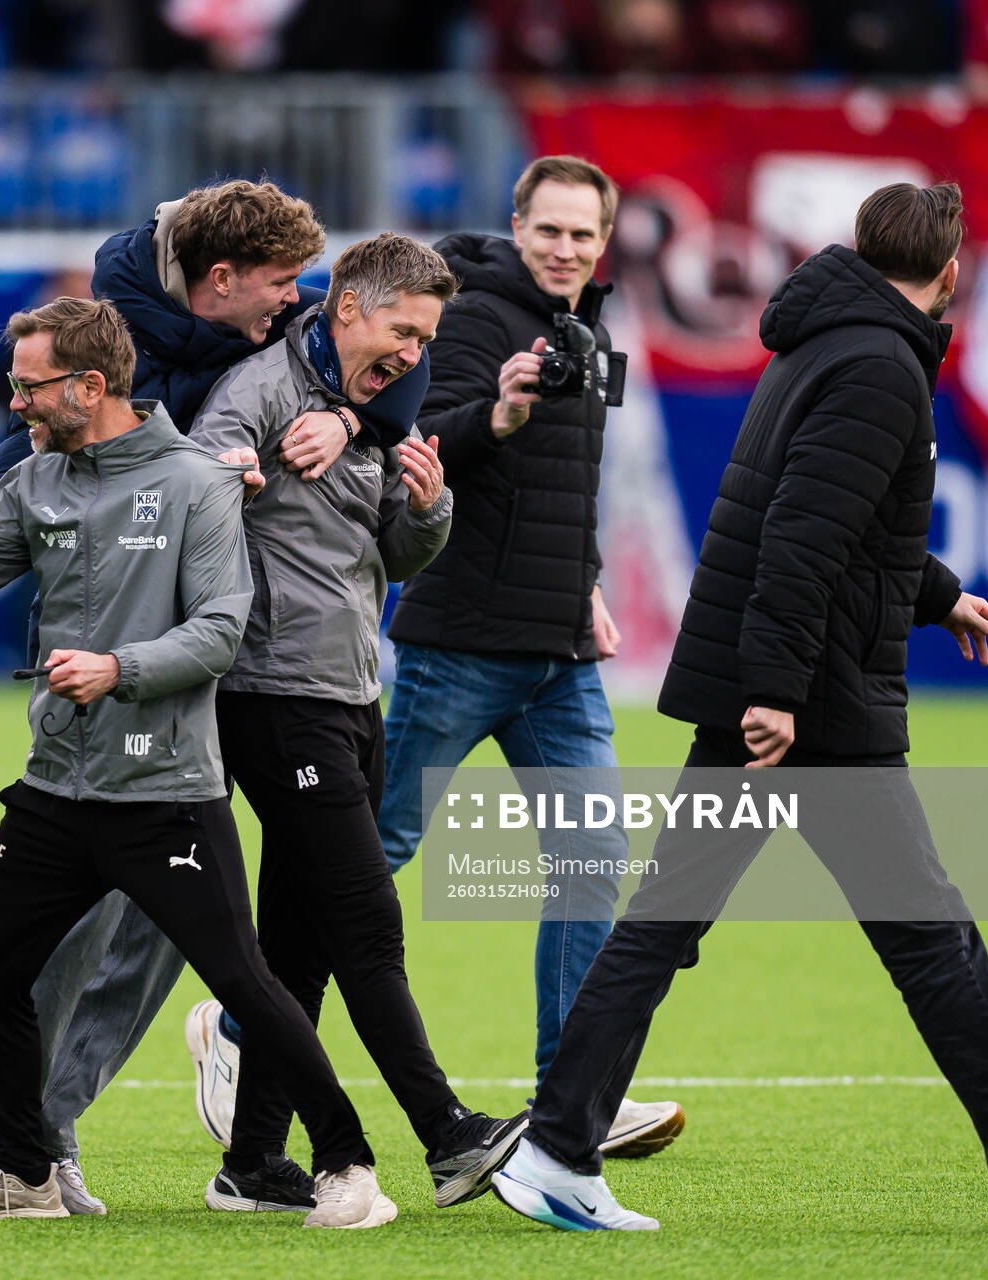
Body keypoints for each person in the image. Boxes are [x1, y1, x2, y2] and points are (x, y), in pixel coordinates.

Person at [491, 182, 988, 1233]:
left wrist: (938, 596)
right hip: (811, 707)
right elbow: (802, 539)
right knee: (927, 938)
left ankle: (555, 1147)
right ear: (951, 272)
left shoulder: (828, 342)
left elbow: (837, 518)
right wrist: (773, 692)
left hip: (783, 691)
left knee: (672, 928)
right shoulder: (878, 364)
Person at [0, 296, 397, 1228]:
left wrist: (118, 669)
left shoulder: (199, 482)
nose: (15, 406)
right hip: (54, 790)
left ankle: (348, 1166)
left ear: (91, 385)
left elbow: (217, 631)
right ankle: (25, 1175)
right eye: (12, 387)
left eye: (30, 387)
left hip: (163, 793)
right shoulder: (37, 480)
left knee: (244, 982)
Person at [0, 180, 432, 1213]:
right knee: (77, 921)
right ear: (215, 282)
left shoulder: (250, 334)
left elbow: (376, 373)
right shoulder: (117, 334)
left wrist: (343, 416)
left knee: (162, 929)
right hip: (108, 653)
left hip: (188, 662)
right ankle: (0, 1129)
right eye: (275, 286)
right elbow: (35, 438)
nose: (290, 304)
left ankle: (47, 1129)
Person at [187, 232, 529, 1213]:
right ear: (346, 309)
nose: (416, 352)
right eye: (404, 329)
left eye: (426, 337)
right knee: (367, 924)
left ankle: (251, 1163)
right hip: (272, 694)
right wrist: (229, 484)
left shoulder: (376, 411)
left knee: (297, 945)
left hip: (346, 690)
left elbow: (388, 552)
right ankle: (447, 1132)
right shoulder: (254, 393)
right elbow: (187, 506)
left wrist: (428, 507)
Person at [378, 155, 684, 1159]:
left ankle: (570, 1097)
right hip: (458, 641)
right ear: (517, 225)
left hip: (556, 652)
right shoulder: (473, 317)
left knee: (592, 865)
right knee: (369, 857)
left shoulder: (585, 331)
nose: (564, 247)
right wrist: (498, 413)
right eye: (547, 229)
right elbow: (420, 443)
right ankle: (243, 1029)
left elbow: (569, 488)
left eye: (581, 233)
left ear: (606, 239)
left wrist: (586, 579)